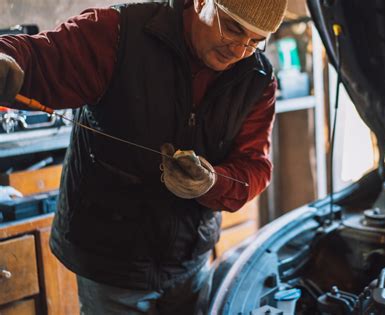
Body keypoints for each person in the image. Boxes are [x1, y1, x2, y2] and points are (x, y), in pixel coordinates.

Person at [0, 0, 287, 313]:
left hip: (189, 261)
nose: (238, 50)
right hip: (111, 263)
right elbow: (39, 58)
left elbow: (254, 167)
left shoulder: (256, 78)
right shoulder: (120, 34)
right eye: (232, 28)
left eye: (255, 41)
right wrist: (7, 58)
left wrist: (212, 183)